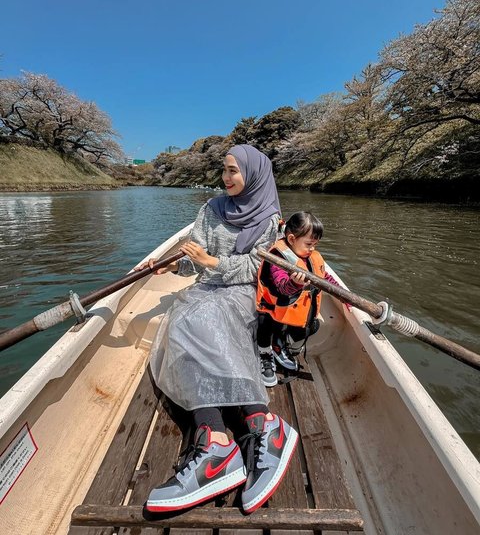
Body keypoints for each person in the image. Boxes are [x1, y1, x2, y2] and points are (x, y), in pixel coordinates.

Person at [136, 144, 298, 514]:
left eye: (233, 171)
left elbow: (255, 269)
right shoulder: (210, 208)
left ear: (253, 174)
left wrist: (211, 261)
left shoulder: (270, 218)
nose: (226, 178)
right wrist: (173, 267)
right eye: (224, 170)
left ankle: (249, 429)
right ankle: (229, 437)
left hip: (243, 292)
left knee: (206, 320)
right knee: (182, 320)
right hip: (207, 286)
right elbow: (194, 257)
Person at [256, 211, 337, 387]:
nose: (313, 249)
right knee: (264, 323)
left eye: (315, 244)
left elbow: (326, 278)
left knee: (313, 325)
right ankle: (265, 353)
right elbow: (282, 287)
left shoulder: (311, 256)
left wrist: (344, 296)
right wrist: (294, 283)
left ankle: (279, 344)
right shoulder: (278, 257)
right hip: (273, 310)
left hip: (292, 311)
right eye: (309, 244)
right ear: (291, 239)